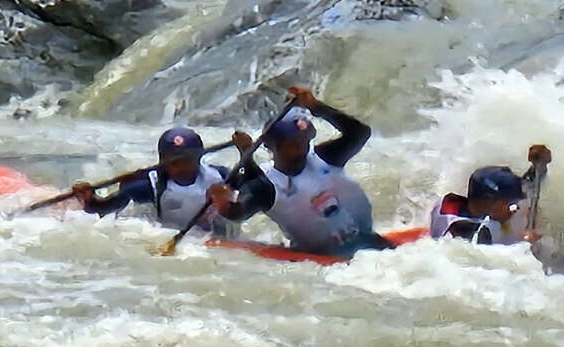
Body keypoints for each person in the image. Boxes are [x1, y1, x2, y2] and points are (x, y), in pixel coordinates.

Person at [208, 86, 392, 257]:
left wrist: (315, 106)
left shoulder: (324, 158)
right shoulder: (266, 185)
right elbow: (239, 212)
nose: (302, 149)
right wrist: (223, 203)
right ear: (273, 146)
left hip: (368, 241)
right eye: (293, 144)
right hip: (322, 257)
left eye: (305, 141)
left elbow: (360, 133)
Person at [72, 127, 238, 237]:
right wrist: (88, 199)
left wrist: (244, 150)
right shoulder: (148, 187)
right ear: (161, 160)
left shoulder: (221, 175)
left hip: (214, 235)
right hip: (181, 240)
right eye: (173, 162)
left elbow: (254, 186)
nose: (181, 167)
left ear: (199, 157)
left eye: (187, 160)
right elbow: (103, 210)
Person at [429, 165, 543, 245]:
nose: (514, 208)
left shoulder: (453, 202)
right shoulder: (467, 233)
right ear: (489, 202)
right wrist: (526, 242)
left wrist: (538, 166)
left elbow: (526, 185)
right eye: (510, 203)